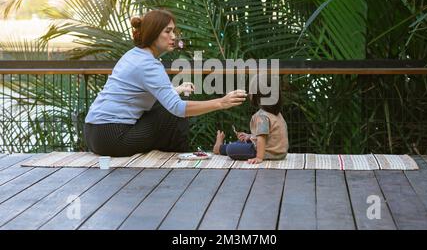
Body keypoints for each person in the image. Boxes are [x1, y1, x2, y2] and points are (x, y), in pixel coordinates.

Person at [84, 9, 247, 157]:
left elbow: (137, 94)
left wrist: (175, 90)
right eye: (167, 31)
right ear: (153, 33)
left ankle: (172, 155)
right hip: (113, 137)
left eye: (173, 31)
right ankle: (179, 159)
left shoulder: (133, 55)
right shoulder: (149, 65)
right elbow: (177, 108)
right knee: (173, 113)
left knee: (165, 106)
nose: (174, 36)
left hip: (93, 133)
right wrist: (221, 102)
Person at [213, 75, 289, 164]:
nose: (249, 93)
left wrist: (259, 157)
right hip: (280, 153)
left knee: (231, 149)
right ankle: (223, 147)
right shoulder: (276, 114)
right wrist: (249, 136)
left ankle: (219, 148)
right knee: (242, 142)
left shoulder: (262, 117)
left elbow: (262, 138)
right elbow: (267, 136)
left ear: (257, 95)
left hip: (267, 152)